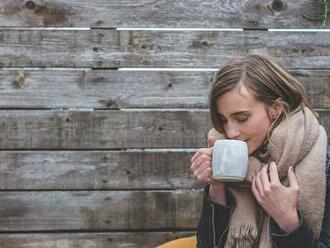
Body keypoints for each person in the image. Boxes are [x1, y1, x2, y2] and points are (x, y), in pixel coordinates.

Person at [190, 53, 330, 248]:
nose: (230, 132)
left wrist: (287, 219)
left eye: (241, 118)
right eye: (223, 120)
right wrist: (217, 186)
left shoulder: (323, 162)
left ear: (276, 109)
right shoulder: (227, 157)